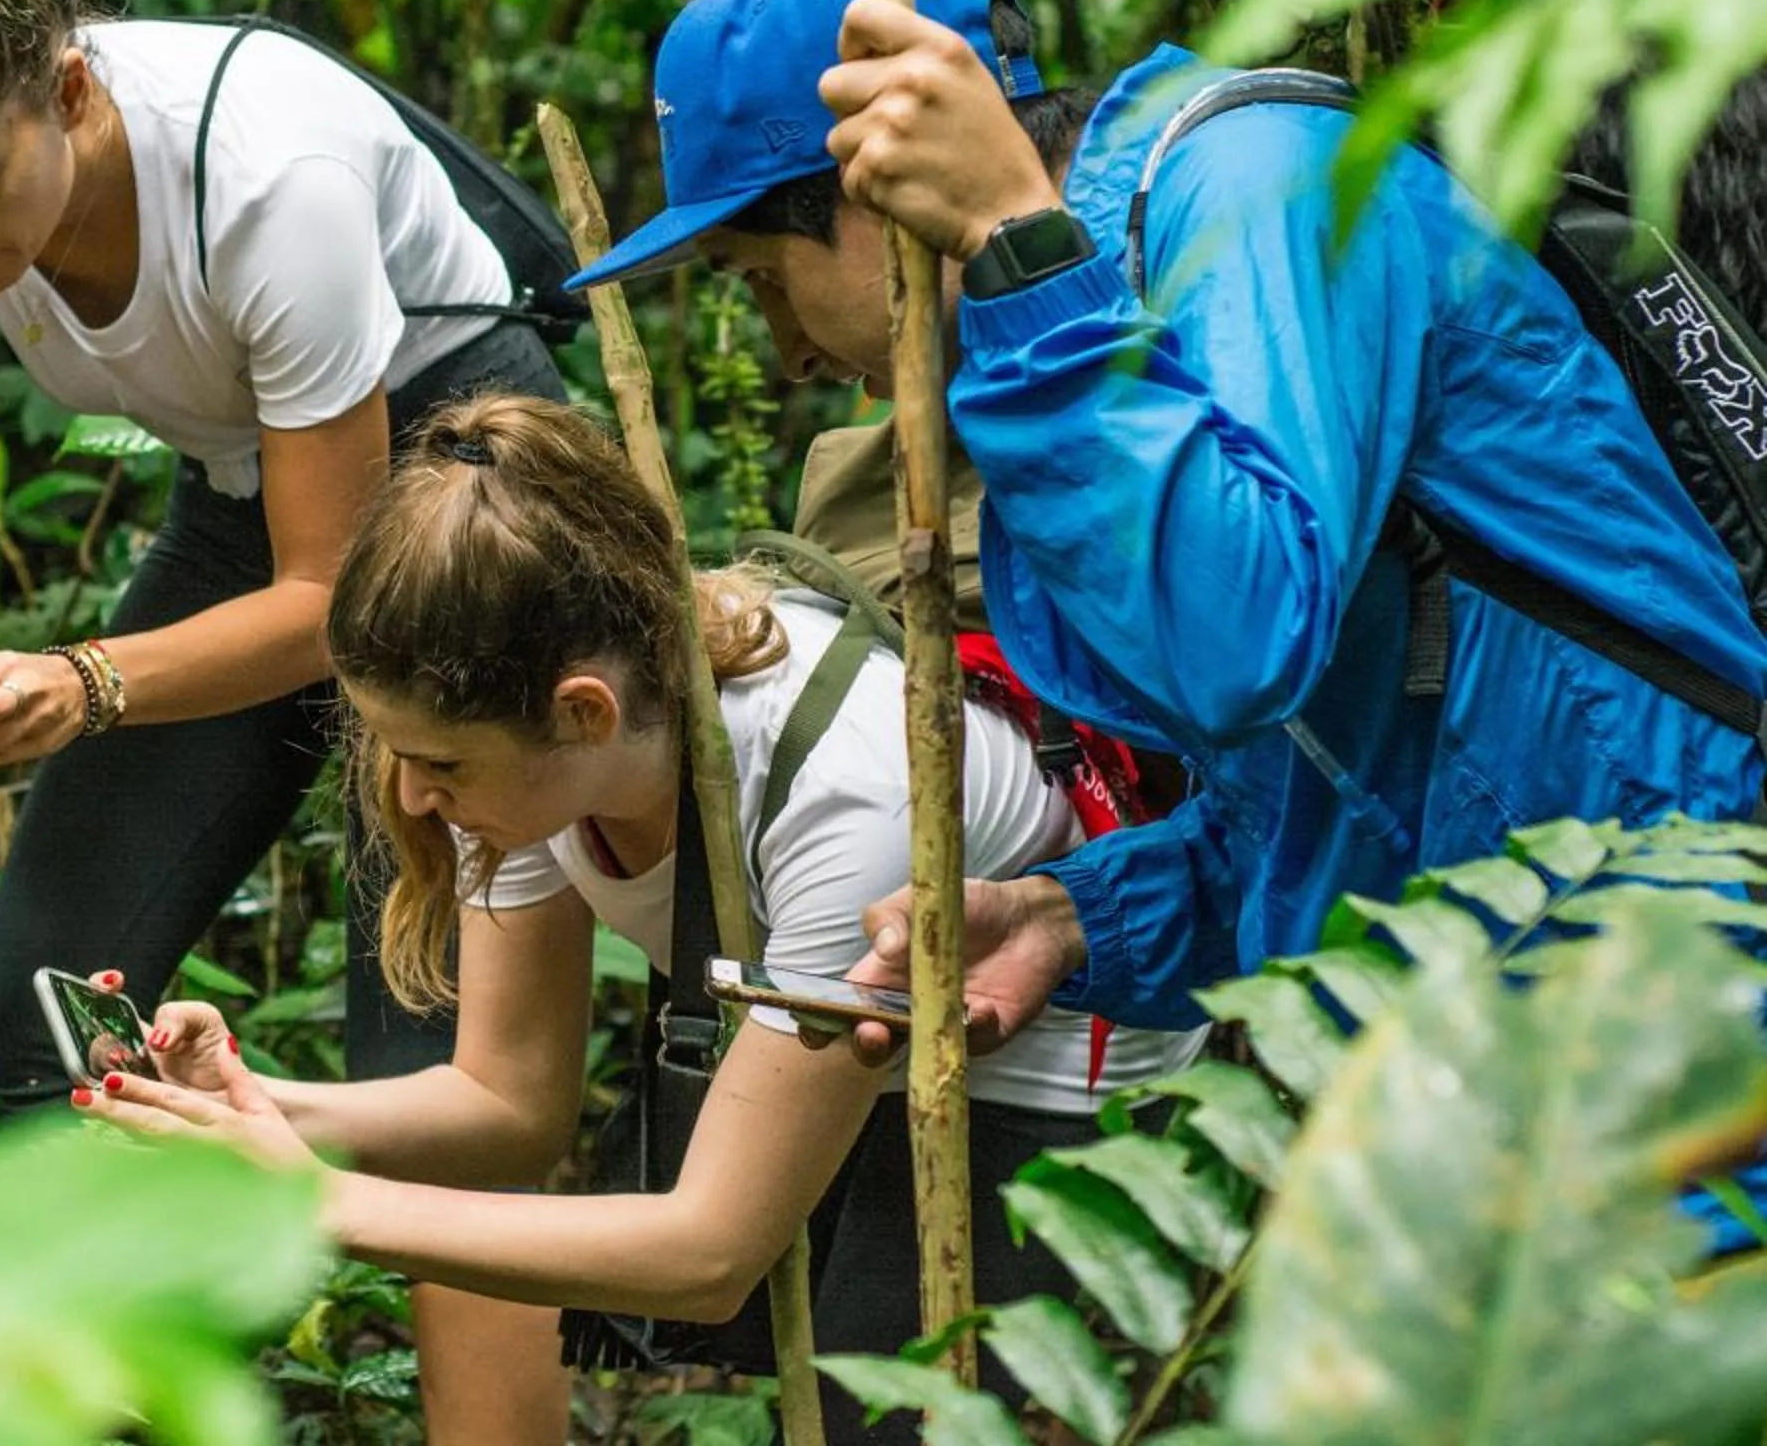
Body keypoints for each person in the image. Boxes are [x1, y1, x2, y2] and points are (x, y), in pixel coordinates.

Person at [560, 0, 1767, 1054]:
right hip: (1481, 1033)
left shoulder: (1253, 192)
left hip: (1667, 983)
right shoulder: (1104, 306)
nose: (791, 356)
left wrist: (1016, 256)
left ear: (877, 192)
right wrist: (1078, 920)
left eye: (763, 278)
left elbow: (1238, 644)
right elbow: (1337, 784)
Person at [0, 0, 570, 1438]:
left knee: (433, 1046)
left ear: (67, 83)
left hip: (466, 484)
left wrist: (85, 680)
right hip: (262, 508)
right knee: (51, 985)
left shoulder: (260, 162)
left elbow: (341, 599)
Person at [77, 393, 1199, 1438]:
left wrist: (316, 1200)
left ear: (582, 710)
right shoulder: (529, 766)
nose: (413, 798)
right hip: (845, 1037)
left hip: (1044, 1057)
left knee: (890, 1410)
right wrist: (254, 1106)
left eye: (439, 763)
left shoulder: (852, 794)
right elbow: (507, 1101)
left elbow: (709, 1248)